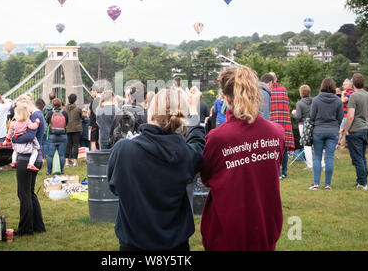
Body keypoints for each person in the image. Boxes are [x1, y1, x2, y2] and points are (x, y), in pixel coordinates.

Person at [107, 87, 205, 251]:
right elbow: (198, 145)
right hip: (175, 245)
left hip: (133, 244)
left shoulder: (123, 150)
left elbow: (114, 187)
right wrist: (194, 111)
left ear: (151, 114)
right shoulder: (184, 154)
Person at [201, 65, 285, 251]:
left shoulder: (217, 137)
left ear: (227, 97)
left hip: (227, 230)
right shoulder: (277, 133)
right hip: (264, 227)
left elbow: (206, 178)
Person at [9, 94, 46, 236]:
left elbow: (29, 136)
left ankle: (26, 229)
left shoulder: (33, 117)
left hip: (26, 158)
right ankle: (38, 225)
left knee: (23, 193)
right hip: (33, 157)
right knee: (30, 193)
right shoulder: (38, 114)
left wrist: (14, 137)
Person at [309, 78, 343, 190]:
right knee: (329, 157)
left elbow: (312, 117)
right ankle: (327, 184)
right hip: (333, 131)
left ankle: (316, 184)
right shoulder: (338, 101)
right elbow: (340, 117)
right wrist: (335, 126)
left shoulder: (316, 100)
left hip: (318, 131)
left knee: (318, 157)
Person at [345, 73, 368, 190]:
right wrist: (365, 121)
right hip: (365, 128)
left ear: (353, 83)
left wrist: (346, 129)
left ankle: (362, 183)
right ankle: (364, 180)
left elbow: (350, 115)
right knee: (362, 156)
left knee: (357, 157)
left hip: (355, 130)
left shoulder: (354, 96)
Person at [269, 72, 294, 179]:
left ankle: (277, 172)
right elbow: (287, 106)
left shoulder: (267, 91)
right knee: (284, 148)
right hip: (284, 122)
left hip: (272, 122)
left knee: (274, 148)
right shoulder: (283, 90)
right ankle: (284, 172)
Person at [4, 105, 41, 172]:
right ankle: (30, 164)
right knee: (35, 151)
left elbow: (10, 132)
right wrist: (37, 122)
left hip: (16, 139)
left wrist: (6, 140)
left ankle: (13, 161)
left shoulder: (13, 123)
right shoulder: (27, 121)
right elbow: (33, 127)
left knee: (15, 151)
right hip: (25, 143)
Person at [292, 85, 314, 170]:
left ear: (301, 93)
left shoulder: (299, 103)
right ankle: (322, 164)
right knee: (316, 144)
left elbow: (298, 116)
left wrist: (294, 113)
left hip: (303, 125)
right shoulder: (314, 101)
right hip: (313, 123)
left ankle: (310, 165)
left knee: (307, 146)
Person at [45, 98, 68, 175]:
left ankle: (48, 172)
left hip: (52, 136)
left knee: (50, 155)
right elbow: (66, 123)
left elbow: (47, 122)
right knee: (62, 155)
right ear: (61, 104)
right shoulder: (65, 113)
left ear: (53, 105)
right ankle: (61, 171)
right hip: (63, 135)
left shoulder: (49, 113)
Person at [65, 94, 82, 167]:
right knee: (75, 145)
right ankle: (75, 162)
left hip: (67, 128)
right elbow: (81, 117)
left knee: (68, 145)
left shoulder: (64, 109)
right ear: (75, 100)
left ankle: (66, 162)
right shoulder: (78, 109)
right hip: (76, 129)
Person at [339, 79, 355, 148]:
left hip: (347, 115)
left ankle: (339, 144)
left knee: (341, 130)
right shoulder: (349, 91)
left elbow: (343, 100)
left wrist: (342, 94)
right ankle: (342, 144)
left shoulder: (350, 92)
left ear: (348, 85)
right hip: (346, 114)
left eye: (344, 84)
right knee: (345, 130)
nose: (342, 86)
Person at [42, 92, 56, 159]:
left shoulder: (45, 108)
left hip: (47, 127)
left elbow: (43, 117)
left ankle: (45, 157)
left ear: (49, 98)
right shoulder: (58, 107)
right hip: (56, 126)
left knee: (46, 143)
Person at [89, 86, 102, 151]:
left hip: (94, 123)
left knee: (93, 141)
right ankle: (101, 155)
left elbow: (89, 112)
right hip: (102, 123)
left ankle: (93, 157)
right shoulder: (103, 100)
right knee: (100, 140)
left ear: (95, 91)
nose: (91, 94)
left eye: (92, 92)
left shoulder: (94, 101)